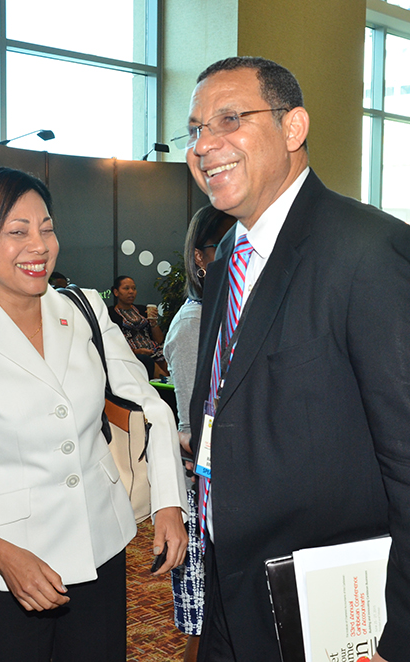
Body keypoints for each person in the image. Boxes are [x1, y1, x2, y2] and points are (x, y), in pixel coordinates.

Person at [181, 56, 410, 662]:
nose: (205, 145)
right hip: (232, 589)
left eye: (230, 120)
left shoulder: (370, 251)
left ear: (293, 128)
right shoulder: (228, 256)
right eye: (196, 129)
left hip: (330, 603)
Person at [0, 167, 188, 661]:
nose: (39, 245)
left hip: (100, 543)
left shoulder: (85, 309)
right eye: (18, 231)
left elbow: (150, 405)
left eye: (46, 228)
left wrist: (169, 504)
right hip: (10, 569)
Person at [163, 204, 236, 662]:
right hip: (203, 495)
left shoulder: (225, 312)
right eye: (223, 245)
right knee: (204, 628)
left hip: (232, 491)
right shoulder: (193, 324)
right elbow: (192, 431)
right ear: (199, 257)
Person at [109, 275, 167, 378]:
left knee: (169, 358)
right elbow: (111, 343)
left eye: (134, 288)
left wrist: (153, 323)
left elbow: (159, 340)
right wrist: (136, 351)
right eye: (126, 288)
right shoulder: (110, 314)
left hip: (154, 350)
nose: (131, 292)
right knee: (149, 363)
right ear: (116, 292)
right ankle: (166, 383)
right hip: (131, 353)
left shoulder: (143, 310)